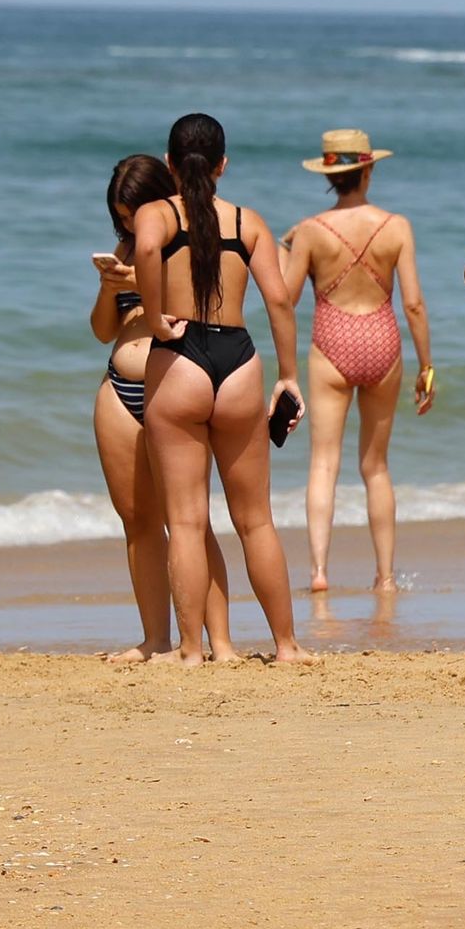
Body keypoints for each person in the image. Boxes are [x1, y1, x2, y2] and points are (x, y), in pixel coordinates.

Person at [133, 113, 316, 667]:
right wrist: (288, 375)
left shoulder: (157, 213)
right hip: (239, 361)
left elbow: (144, 251)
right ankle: (287, 646)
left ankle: (192, 650)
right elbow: (280, 299)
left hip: (179, 359)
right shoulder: (246, 221)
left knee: (187, 520)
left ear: (168, 163)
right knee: (255, 518)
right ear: (222, 165)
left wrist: (158, 321)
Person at [90, 155, 233, 663]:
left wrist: (143, 285)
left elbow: (208, 313)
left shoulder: (193, 240)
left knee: (191, 520)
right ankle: (155, 638)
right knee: (138, 521)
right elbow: (104, 329)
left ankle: (220, 641)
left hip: (172, 385)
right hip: (119, 387)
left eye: (133, 214)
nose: (128, 226)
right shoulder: (129, 246)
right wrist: (113, 289)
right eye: (121, 219)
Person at [280, 129, 435, 593]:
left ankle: (320, 573)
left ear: (330, 176)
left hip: (331, 339)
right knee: (376, 467)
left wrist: (285, 248)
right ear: (368, 171)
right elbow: (414, 305)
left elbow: (284, 300)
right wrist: (427, 366)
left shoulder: (309, 231)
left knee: (324, 462)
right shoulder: (397, 226)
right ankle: (385, 577)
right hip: (382, 340)